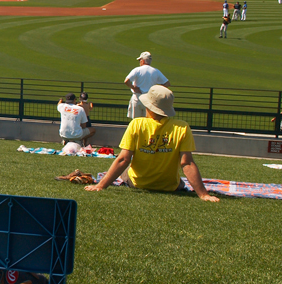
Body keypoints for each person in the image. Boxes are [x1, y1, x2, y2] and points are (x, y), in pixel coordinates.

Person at [85, 85, 219, 203]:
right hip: (169, 186)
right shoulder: (182, 128)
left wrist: (100, 186)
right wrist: (203, 194)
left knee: (126, 170)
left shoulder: (137, 124)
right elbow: (187, 163)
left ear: (148, 106)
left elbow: (123, 159)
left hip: (138, 183)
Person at [124, 51, 169, 119]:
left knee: (136, 122)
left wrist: (133, 88)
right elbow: (167, 83)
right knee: (148, 122)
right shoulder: (155, 71)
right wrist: (156, 90)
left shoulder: (137, 70)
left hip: (137, 97)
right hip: (149, 99)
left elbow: (126, 81)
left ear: (142, 61)